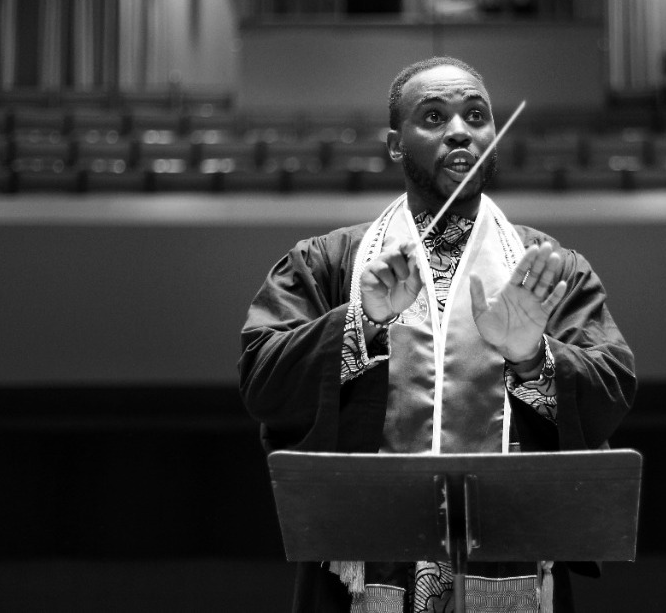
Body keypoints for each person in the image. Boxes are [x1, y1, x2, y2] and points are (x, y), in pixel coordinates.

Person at [238, 56, 636, 613]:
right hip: (365, 567)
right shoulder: (330, 262)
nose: (459, 130)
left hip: (515, 554)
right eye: (433, 116)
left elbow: (612, 389)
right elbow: (262, 380)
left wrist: (532, 358)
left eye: (476, 115)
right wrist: (360, 323)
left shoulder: (545, 269)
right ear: (395, 143)